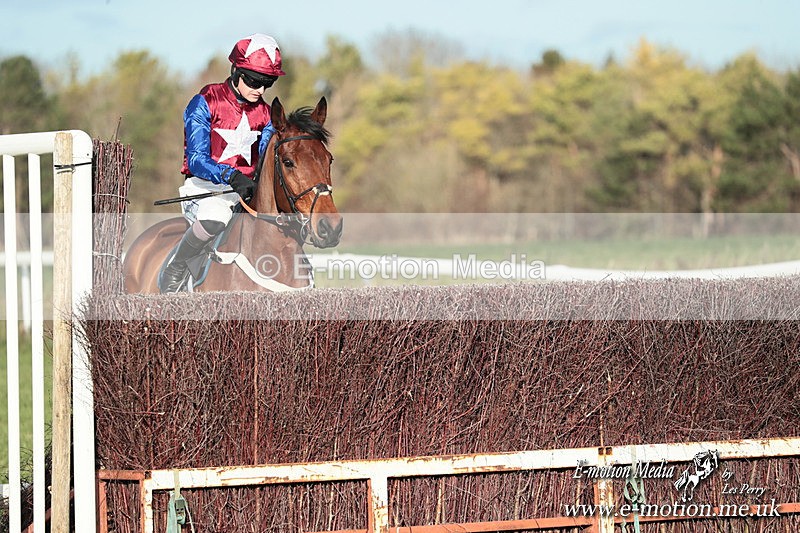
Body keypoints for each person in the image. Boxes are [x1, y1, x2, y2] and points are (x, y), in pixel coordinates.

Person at [159, 33, 286, 293]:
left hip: (244, 192)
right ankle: (177, 267)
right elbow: (195, 160)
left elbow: (263, 159)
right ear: (236, 70)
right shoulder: (205, 101)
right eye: (254, 81)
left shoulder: (265, 114)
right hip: (204, 189)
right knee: (216, 218)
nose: (260, 90)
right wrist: (230, 176)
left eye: (267, 83)